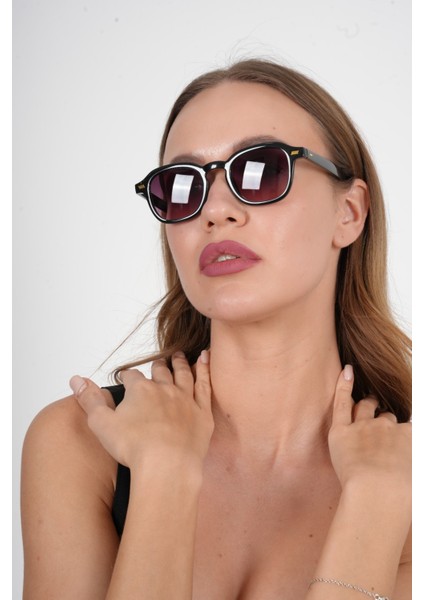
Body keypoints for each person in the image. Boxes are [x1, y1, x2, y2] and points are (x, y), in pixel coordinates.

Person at [21, 58, 412, 600]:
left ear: (349, 212)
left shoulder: (406, 474)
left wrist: (374, 500)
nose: (215, 211)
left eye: (262, 171)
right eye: (183, 187)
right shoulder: (83, 441)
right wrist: (164, 473)